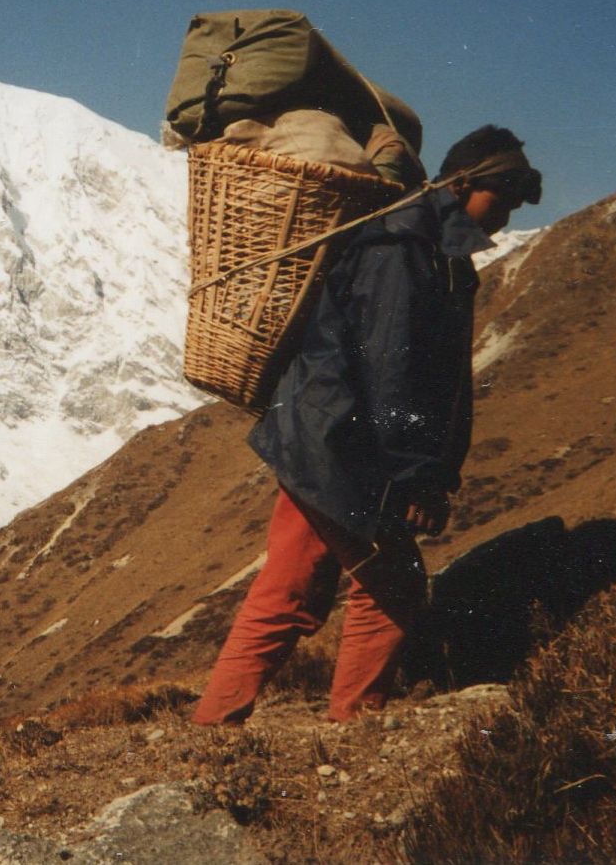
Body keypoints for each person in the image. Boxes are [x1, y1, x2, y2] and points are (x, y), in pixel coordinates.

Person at [193, 125, 542, 724]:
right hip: (343, 447)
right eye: (499, 196)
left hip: (313, 436)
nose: (505, 214)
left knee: (290, 586)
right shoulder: (405, 252)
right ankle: (354, 721)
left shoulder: (425, 248)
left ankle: (213, 723)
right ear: (461, 185)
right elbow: (391, 371)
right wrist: (415, 478)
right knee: (393, 589)